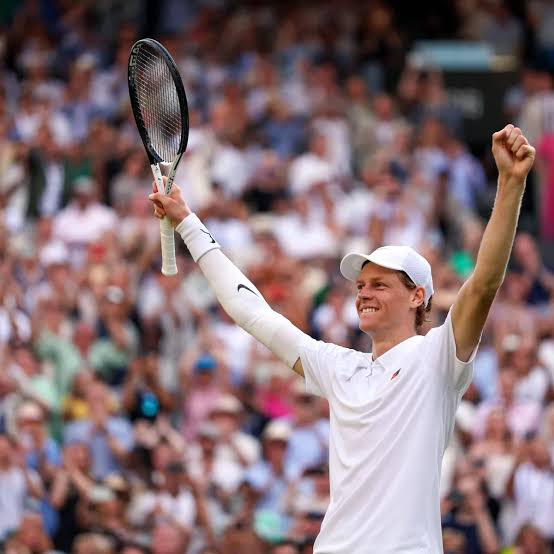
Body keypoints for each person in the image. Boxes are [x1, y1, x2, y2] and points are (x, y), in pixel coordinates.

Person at [149, 124, 535, 553]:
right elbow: (251, 312)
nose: (364, 293)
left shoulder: (437, 356)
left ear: (417, 297)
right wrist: (188, 222)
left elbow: (483, 284)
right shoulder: (339, 367)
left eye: (380, 285)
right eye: (361, 286)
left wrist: (510, 183)